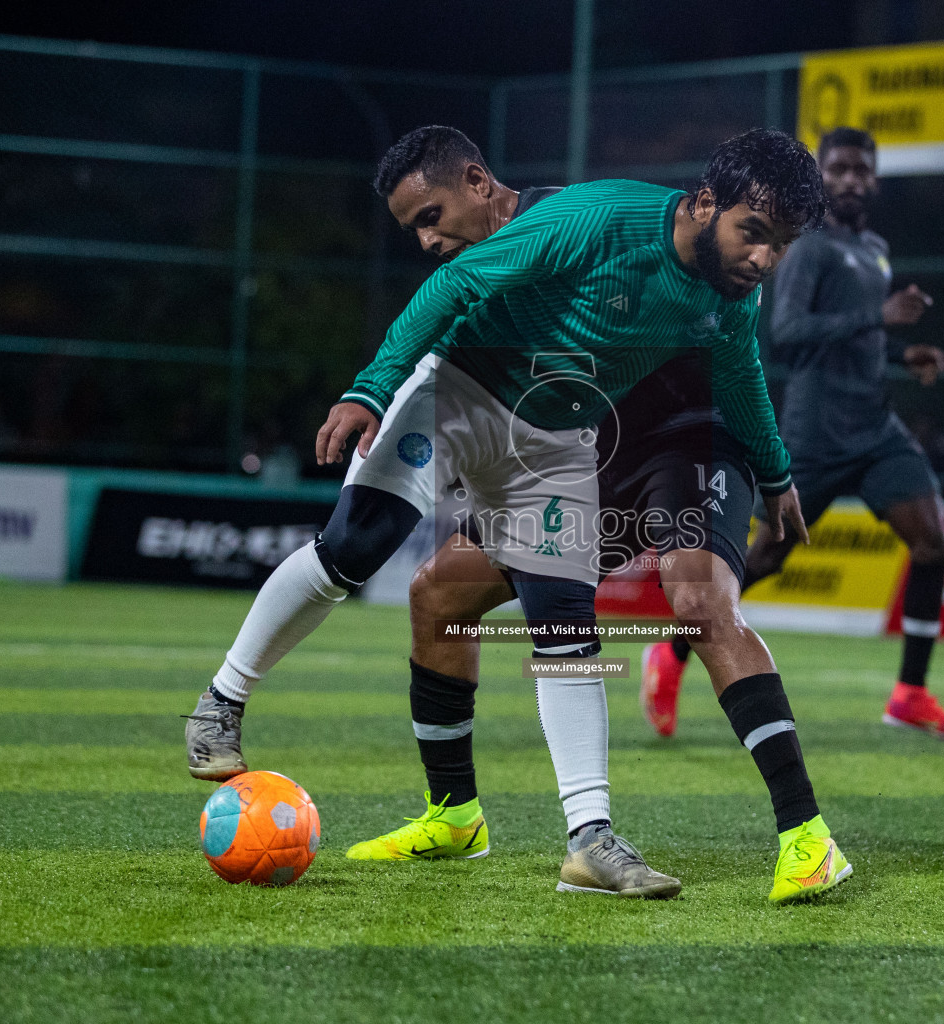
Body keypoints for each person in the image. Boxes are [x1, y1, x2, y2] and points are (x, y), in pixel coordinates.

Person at [185, 127, 824, 898]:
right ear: (705, 203)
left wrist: (776, 473)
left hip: (556, 439)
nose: (763, 260)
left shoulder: (726, 296)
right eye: (755, 236)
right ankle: (221, 702)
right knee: (357, 544)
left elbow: (741, 374)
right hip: (459, 387)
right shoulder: (594, 219)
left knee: (566, 628)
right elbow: (452, 291)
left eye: (777, 244)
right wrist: (372, 387)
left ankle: (591, 840)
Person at [641, 126, 944, 740]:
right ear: (820, 178)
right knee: (769, 555)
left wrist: (903, 354)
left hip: (876, 427)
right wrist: (878, 316)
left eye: (862, 169)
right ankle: (673, 651)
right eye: (840, 169)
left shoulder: (873, 247)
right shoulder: (809, 247)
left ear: (874, 177)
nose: (852, 179)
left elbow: (855, 339)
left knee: (934, 543)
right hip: (816, 428)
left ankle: (910, 694)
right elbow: (790, 333)